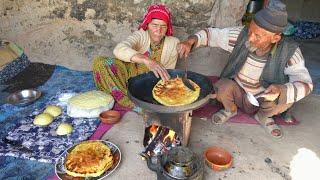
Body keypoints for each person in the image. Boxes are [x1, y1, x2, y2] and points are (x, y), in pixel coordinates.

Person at [177, 0, 313, 138]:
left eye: (257, 36)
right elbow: (212, 34)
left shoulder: (290, 51)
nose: (251, 38)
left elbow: (306, 84)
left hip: (265, 99)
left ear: (275, 38)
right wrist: (191, 40)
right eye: (250, 31)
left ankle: (263, 116)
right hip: (238, 93)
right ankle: (231, 109)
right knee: (220, 87)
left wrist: (280, 90)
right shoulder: (241, 36)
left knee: (286, 100)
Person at [92, 5, 179, 113]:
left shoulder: (174, 43)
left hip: (149, 82)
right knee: (100, 62)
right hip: (127, 74)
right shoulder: (141, 35)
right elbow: (119, 49)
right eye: (154, 25)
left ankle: (127, 95)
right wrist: (146, 60)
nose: (158, 30)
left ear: (167, 27)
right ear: (147, 24)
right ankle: (127, 98)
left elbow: (167, 72)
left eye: (163, 26)